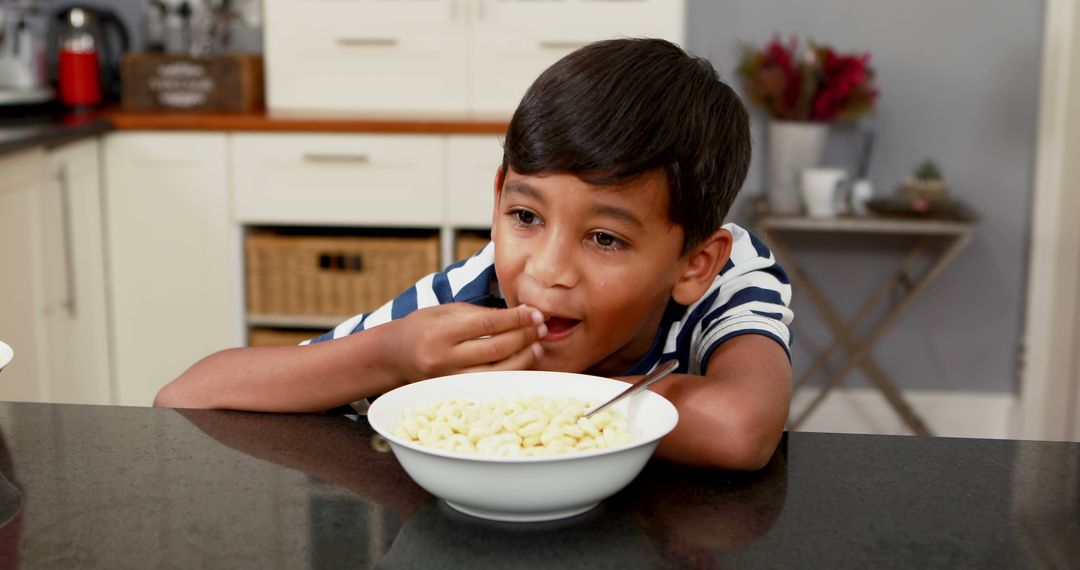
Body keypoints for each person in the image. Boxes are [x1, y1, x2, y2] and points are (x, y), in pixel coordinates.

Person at [155, 38, 794, 471]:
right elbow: (187, 395)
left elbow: (740, 428)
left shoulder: (731, 278)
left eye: (605, 238)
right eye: (525, 217)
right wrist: (388, 355)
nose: (545, 270)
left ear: (694, 263)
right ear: (497, 200)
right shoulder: (478, 288)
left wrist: (534, 402)